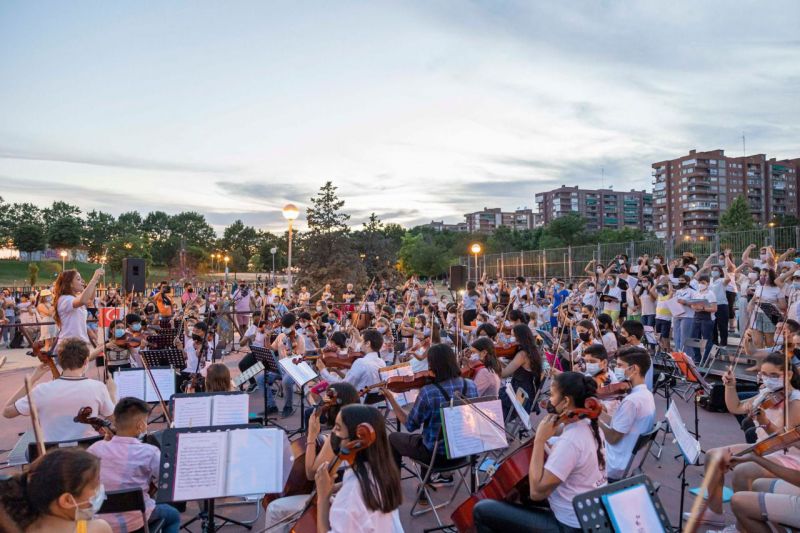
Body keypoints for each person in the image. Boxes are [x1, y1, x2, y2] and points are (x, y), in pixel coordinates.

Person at [472, 372, 606, 532]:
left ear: (566, 401)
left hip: (568, 525)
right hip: (587, 514)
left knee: (482, 509)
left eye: (552, 394)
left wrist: (539, 440)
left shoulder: (571, 441)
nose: (549, 399)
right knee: (520, 497)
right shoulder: (590, 426)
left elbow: (537, 493)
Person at [690, 351, 800, 528]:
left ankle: (742, 526)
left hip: (787, 455)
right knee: (713, 456)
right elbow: (736, 406)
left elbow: (785, 439)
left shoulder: (795, 402)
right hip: (764, 447)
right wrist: (730, 386)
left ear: (788, 375)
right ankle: (714, 512)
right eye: (764, 374)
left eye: (774, 375)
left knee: (743, 470)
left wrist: (765, 423)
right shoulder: (767, 393)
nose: (768, 379)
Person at [383, 344, 478, 499]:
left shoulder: (429, 392)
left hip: (438, 457)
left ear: (432, 365)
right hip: (463, 452)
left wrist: (392, 400)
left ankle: (394, 487)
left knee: (394, 438)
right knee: (426, 438)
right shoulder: (471, 385)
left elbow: (410, 424)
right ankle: (427, 485)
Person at [265, 383, 360, 532]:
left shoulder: (336, 438)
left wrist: (311, 436)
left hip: (336, 501)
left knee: (274, 508)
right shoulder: (361, 431)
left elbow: (310, 473)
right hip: (350, 497)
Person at [88, 398, 181, 533]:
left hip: (100, 522)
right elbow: (165, 482)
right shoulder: (149, 452)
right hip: (135, 522)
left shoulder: (95, 449)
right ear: (140, 426)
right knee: (173, 515)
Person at [4, 338, 116, 442]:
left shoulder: (42, 390)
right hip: (88, 456)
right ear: (86, 361)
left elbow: (7, 412)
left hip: (53, 457)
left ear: (59, 361)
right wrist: (112, 394)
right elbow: (116, 422)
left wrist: (32, 379)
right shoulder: (98, 387)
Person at [314, 404, 403, 532]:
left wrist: (322, 499)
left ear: (357, 438)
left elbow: (353, 499)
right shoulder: (382, 471)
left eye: (338, 428)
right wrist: (335, 487)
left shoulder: (350, 495)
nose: (332, 432)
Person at [0, 448, 111, 533]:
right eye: (94, 486)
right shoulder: (98, 528)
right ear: (67, 500)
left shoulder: (15, 526)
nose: (99, 490)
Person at [599, 347, 656, 482]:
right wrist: (597, 412)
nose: (616, 369)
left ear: (634, 369)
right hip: (630, 461)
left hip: (615, 465)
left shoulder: (631, 401)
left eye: (619, 365)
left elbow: (613, 437)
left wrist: (593, 419)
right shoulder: (646, 394)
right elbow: (619, 423)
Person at [499, 324, 543, 418]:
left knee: (495, 395)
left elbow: (504, 374)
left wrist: (492, 361)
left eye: (513, 336)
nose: (511, 338)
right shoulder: (533, 351)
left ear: (520, 337)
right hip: (527, 391)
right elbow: (512, 368)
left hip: (519, 396)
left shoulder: (522, 354)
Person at [54, 268, 105, 348]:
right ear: (70, 284)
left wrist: (95, 281)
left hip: (78, 344)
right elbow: (83, 300)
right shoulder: (64, 299)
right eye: (78, 279)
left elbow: (89, 299)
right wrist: (94, 279)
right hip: (69, 346)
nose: (82, 281)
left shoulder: (74, 298)